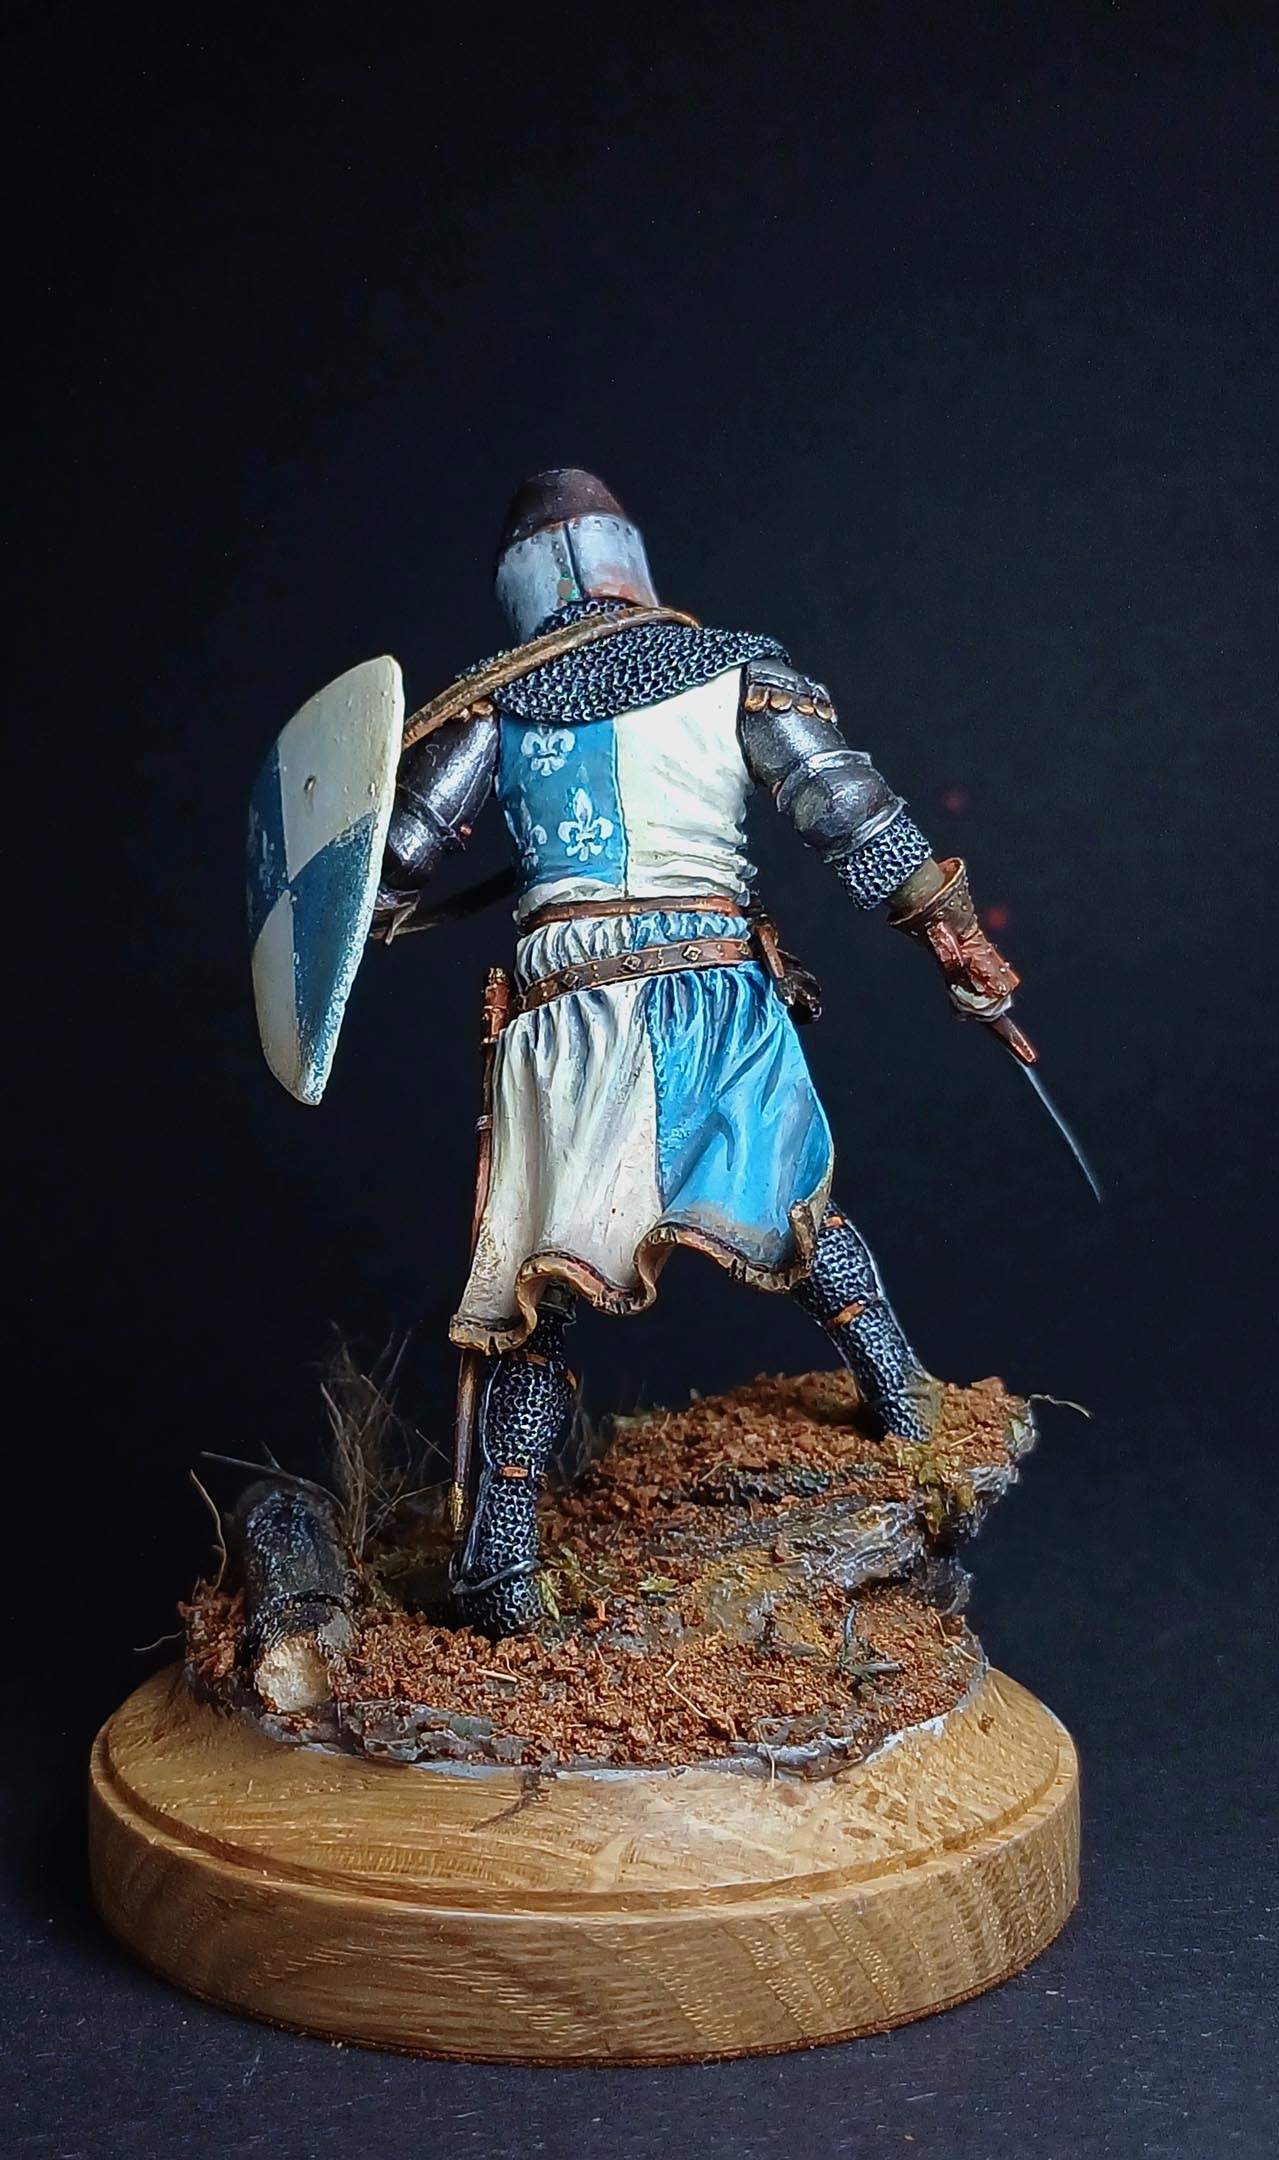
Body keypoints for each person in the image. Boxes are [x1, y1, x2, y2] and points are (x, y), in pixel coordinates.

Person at [375, 470, 1020, 1634]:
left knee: (540, 1288)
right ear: (629, 555)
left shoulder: (489, 706)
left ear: (521, 582)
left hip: (570, 1014)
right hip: (710, 988)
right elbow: (855, 817)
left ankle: (500, 1558)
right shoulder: (734, 668)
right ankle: (906, 1402)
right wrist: (956, 942)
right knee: (798, 1206)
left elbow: (390, 867)